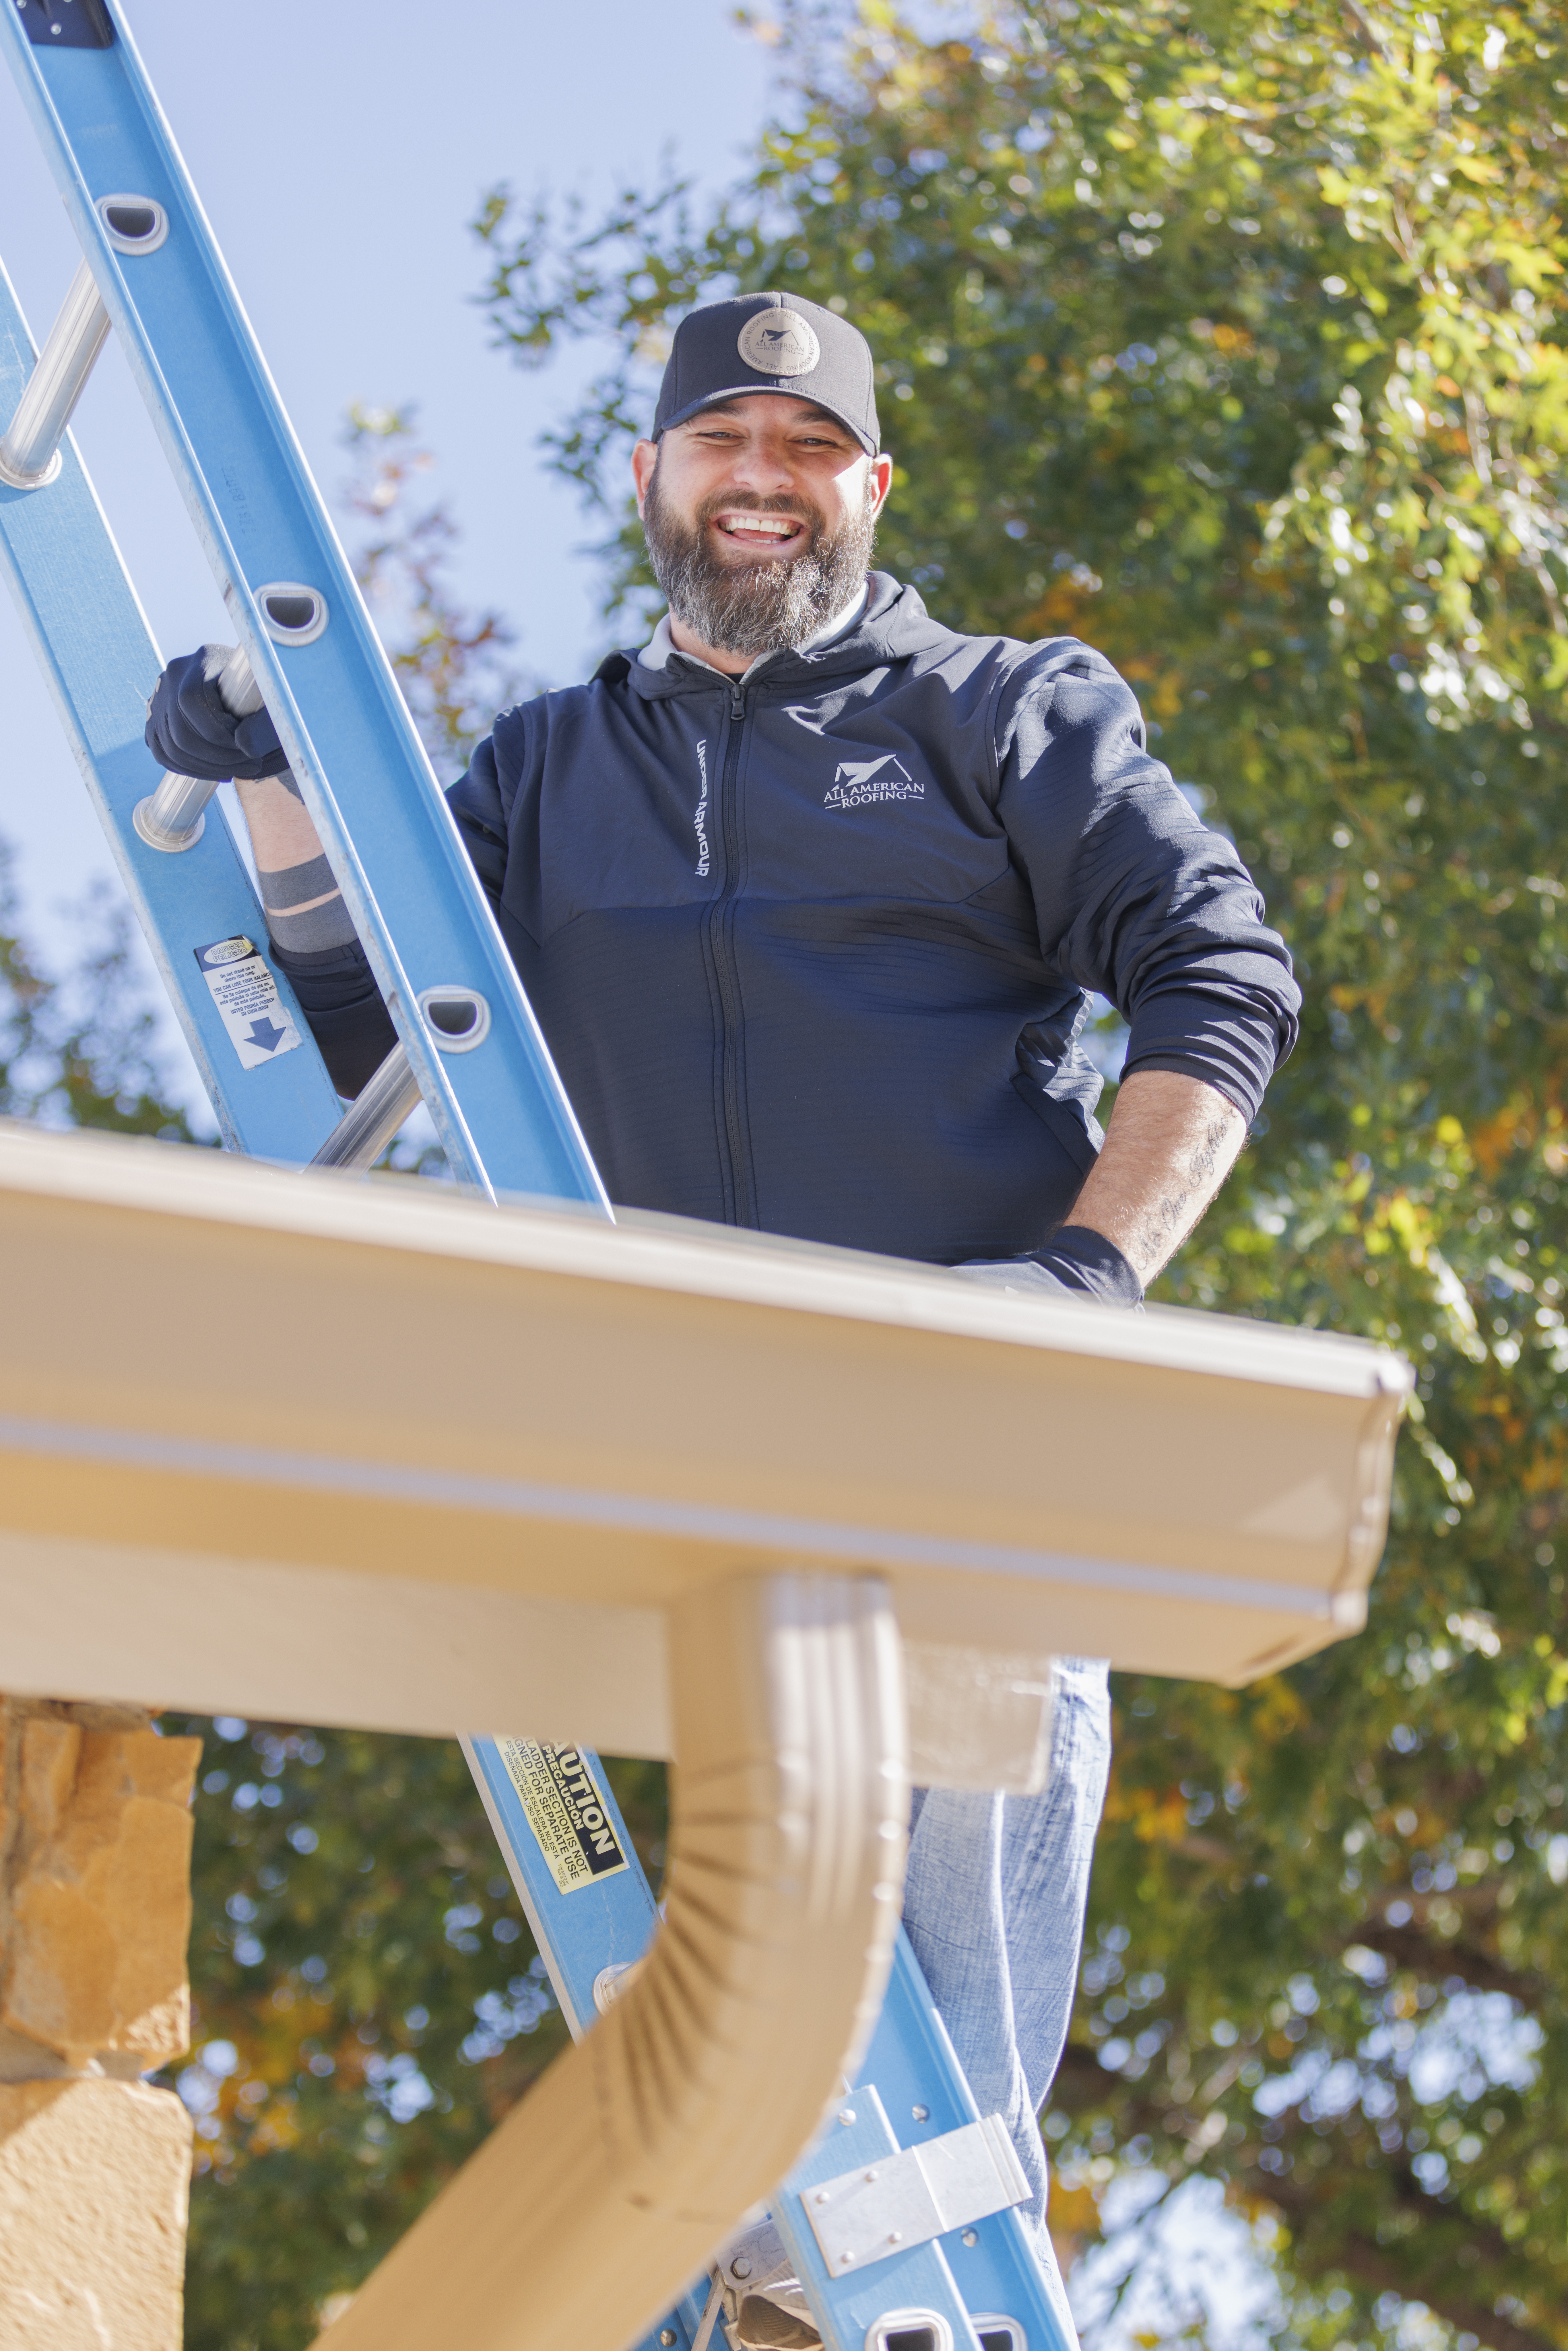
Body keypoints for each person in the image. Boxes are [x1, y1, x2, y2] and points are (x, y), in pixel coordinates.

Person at [148, 290, 1299, 2346]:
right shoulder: (544, 768)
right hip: (661, 1455)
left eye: (802, 446)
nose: (759, 482)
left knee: (921, 2093)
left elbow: (1217, 980)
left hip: (955, 1431)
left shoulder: (1002, 715)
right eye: (720, 443)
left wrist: (1082, 1282)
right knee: (721, 2037)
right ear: (654, 478)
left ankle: (831, 2291)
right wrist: (265, 778)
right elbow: (362, 1030)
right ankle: (752, 2279)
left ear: (868, 485)